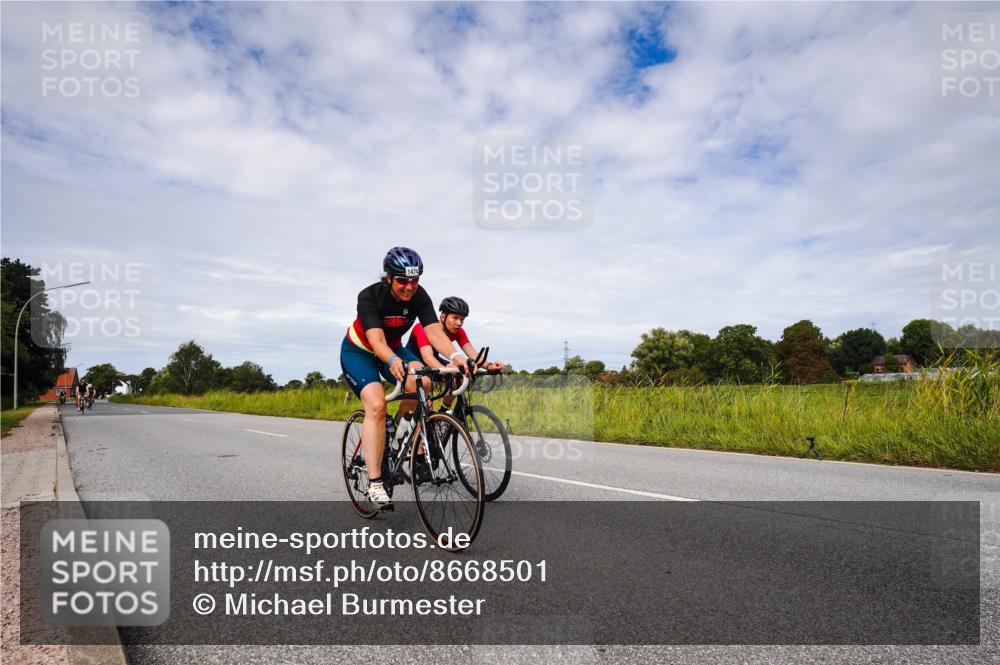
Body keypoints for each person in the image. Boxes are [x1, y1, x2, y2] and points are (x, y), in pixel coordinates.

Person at [340, 247, 474, 511]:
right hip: (360, 352)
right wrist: (393, 361)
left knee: (423, 381)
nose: (410, 287)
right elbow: (376, 341)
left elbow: (434, 332)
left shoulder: (419, 296)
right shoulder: (369, 296)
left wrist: (456, 356)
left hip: (393, 349)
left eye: (415, 280)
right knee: (377, 405)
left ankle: (396, 440)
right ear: (389, 277)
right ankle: (375, 483)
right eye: (403, 280)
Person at [405, 296, 505, 410]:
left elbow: (471, 352)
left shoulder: (458, 332)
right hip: (414, 362)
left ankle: (444, 413)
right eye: (455, 318)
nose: (459, 323)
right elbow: (427, 357)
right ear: (443, 316)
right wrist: (447, 370)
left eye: (462, 319)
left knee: (458, 377)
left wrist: (489, 366)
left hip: (433, 360)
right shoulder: (423, 328)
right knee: (425, 408)